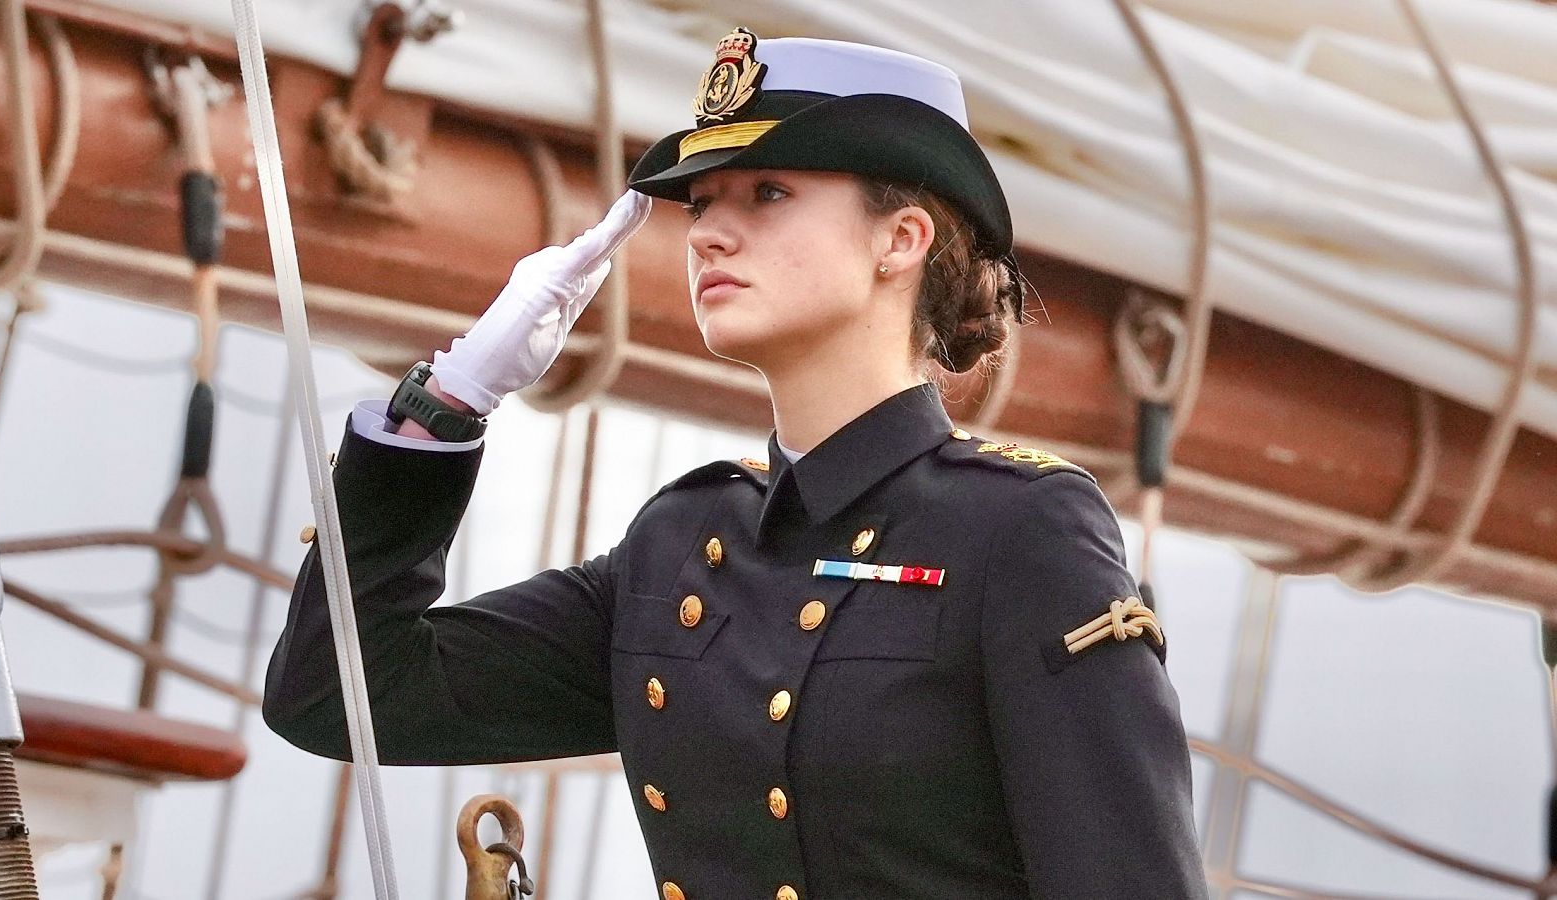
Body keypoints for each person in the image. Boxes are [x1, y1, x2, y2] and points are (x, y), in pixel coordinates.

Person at [262, 27, 1207, 900]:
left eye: (768, 194)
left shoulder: (1018, 531)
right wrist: (451, 399)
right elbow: (338, 695)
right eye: (704, 202)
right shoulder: (682, 547)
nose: (709, 232)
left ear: (902, 239)